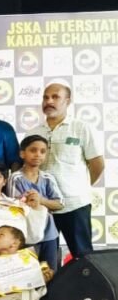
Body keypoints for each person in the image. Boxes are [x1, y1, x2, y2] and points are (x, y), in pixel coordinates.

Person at [26, 79, 105, 259]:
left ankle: (84, 281)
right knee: (44, 260)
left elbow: (97, 164)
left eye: (55, 97)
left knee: (83, 258)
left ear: (67, 101)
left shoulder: (81, 128)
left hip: (75, 205)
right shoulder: (33, 133)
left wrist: (80, 187)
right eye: (45, 97)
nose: (49, 101)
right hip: (43, 206)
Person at [5, 135, 65, 272]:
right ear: (22, 154)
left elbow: (60, 204)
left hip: (49, 234)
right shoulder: (15, 178)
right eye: (33, 150)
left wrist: (41, 200)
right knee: (27, 273)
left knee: (50, 272)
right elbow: (14, 206)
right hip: (25, 234)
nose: (38, 154)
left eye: (42, 151)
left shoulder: (48, 178)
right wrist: (28, 201)